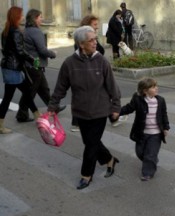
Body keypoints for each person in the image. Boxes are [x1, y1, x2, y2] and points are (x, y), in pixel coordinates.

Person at [47, 26, 121, 190]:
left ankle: (86, 175)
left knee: (90, 145)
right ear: (81, 44)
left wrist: (115, 107)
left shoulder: (102, 61)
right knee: (90, 141)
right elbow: (61, 87)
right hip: (81, 111)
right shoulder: (69, 64)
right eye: (91, 40)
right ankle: (109, 159)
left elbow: (112, 87)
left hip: (100, 110)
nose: (96, 43)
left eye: (96, 39)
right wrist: (53, 106)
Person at [15, 9, 66, 123]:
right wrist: (53, 54)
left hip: (30, 65)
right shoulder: (36, 32)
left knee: (44, 89)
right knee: (31, 91)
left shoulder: (25, 30)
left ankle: (54, 107)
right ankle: (21, 115)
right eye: (40, 17)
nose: (42, 19)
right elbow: (42, 50)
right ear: (34, 19)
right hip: (35, 65)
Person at [119, 78, 170, 181]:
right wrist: (116, 112)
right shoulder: (138, 100)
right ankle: (152, 160)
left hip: (156, 134)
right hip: (141, 133)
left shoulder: (160, 100)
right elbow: (129, 108)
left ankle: (147, 173)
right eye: (153, 87)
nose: (156, 88)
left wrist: (166, 127)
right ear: (145, 90)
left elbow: (164, 114)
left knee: (150, 154)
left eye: (156, 86)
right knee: (140, 152)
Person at [0, 6, 40, 134]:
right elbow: (20, 51)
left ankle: (37, 115)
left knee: (27, 92)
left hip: (8, 66)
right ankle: (0, 126)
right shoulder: (16, 31)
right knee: (8, 97)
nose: (23, 17)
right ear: (16, 17)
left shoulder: (6, 30)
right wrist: (32, 59)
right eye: (21, 15)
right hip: (13, 68)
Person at [71, 14, 105, 132]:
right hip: (87, 70)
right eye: (95, 25)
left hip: (93, 69)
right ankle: (78, 122)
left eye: (97, 24)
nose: (97, 27)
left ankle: (78, 121)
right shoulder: (83, 39)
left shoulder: (91, 37)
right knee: (82, 95)